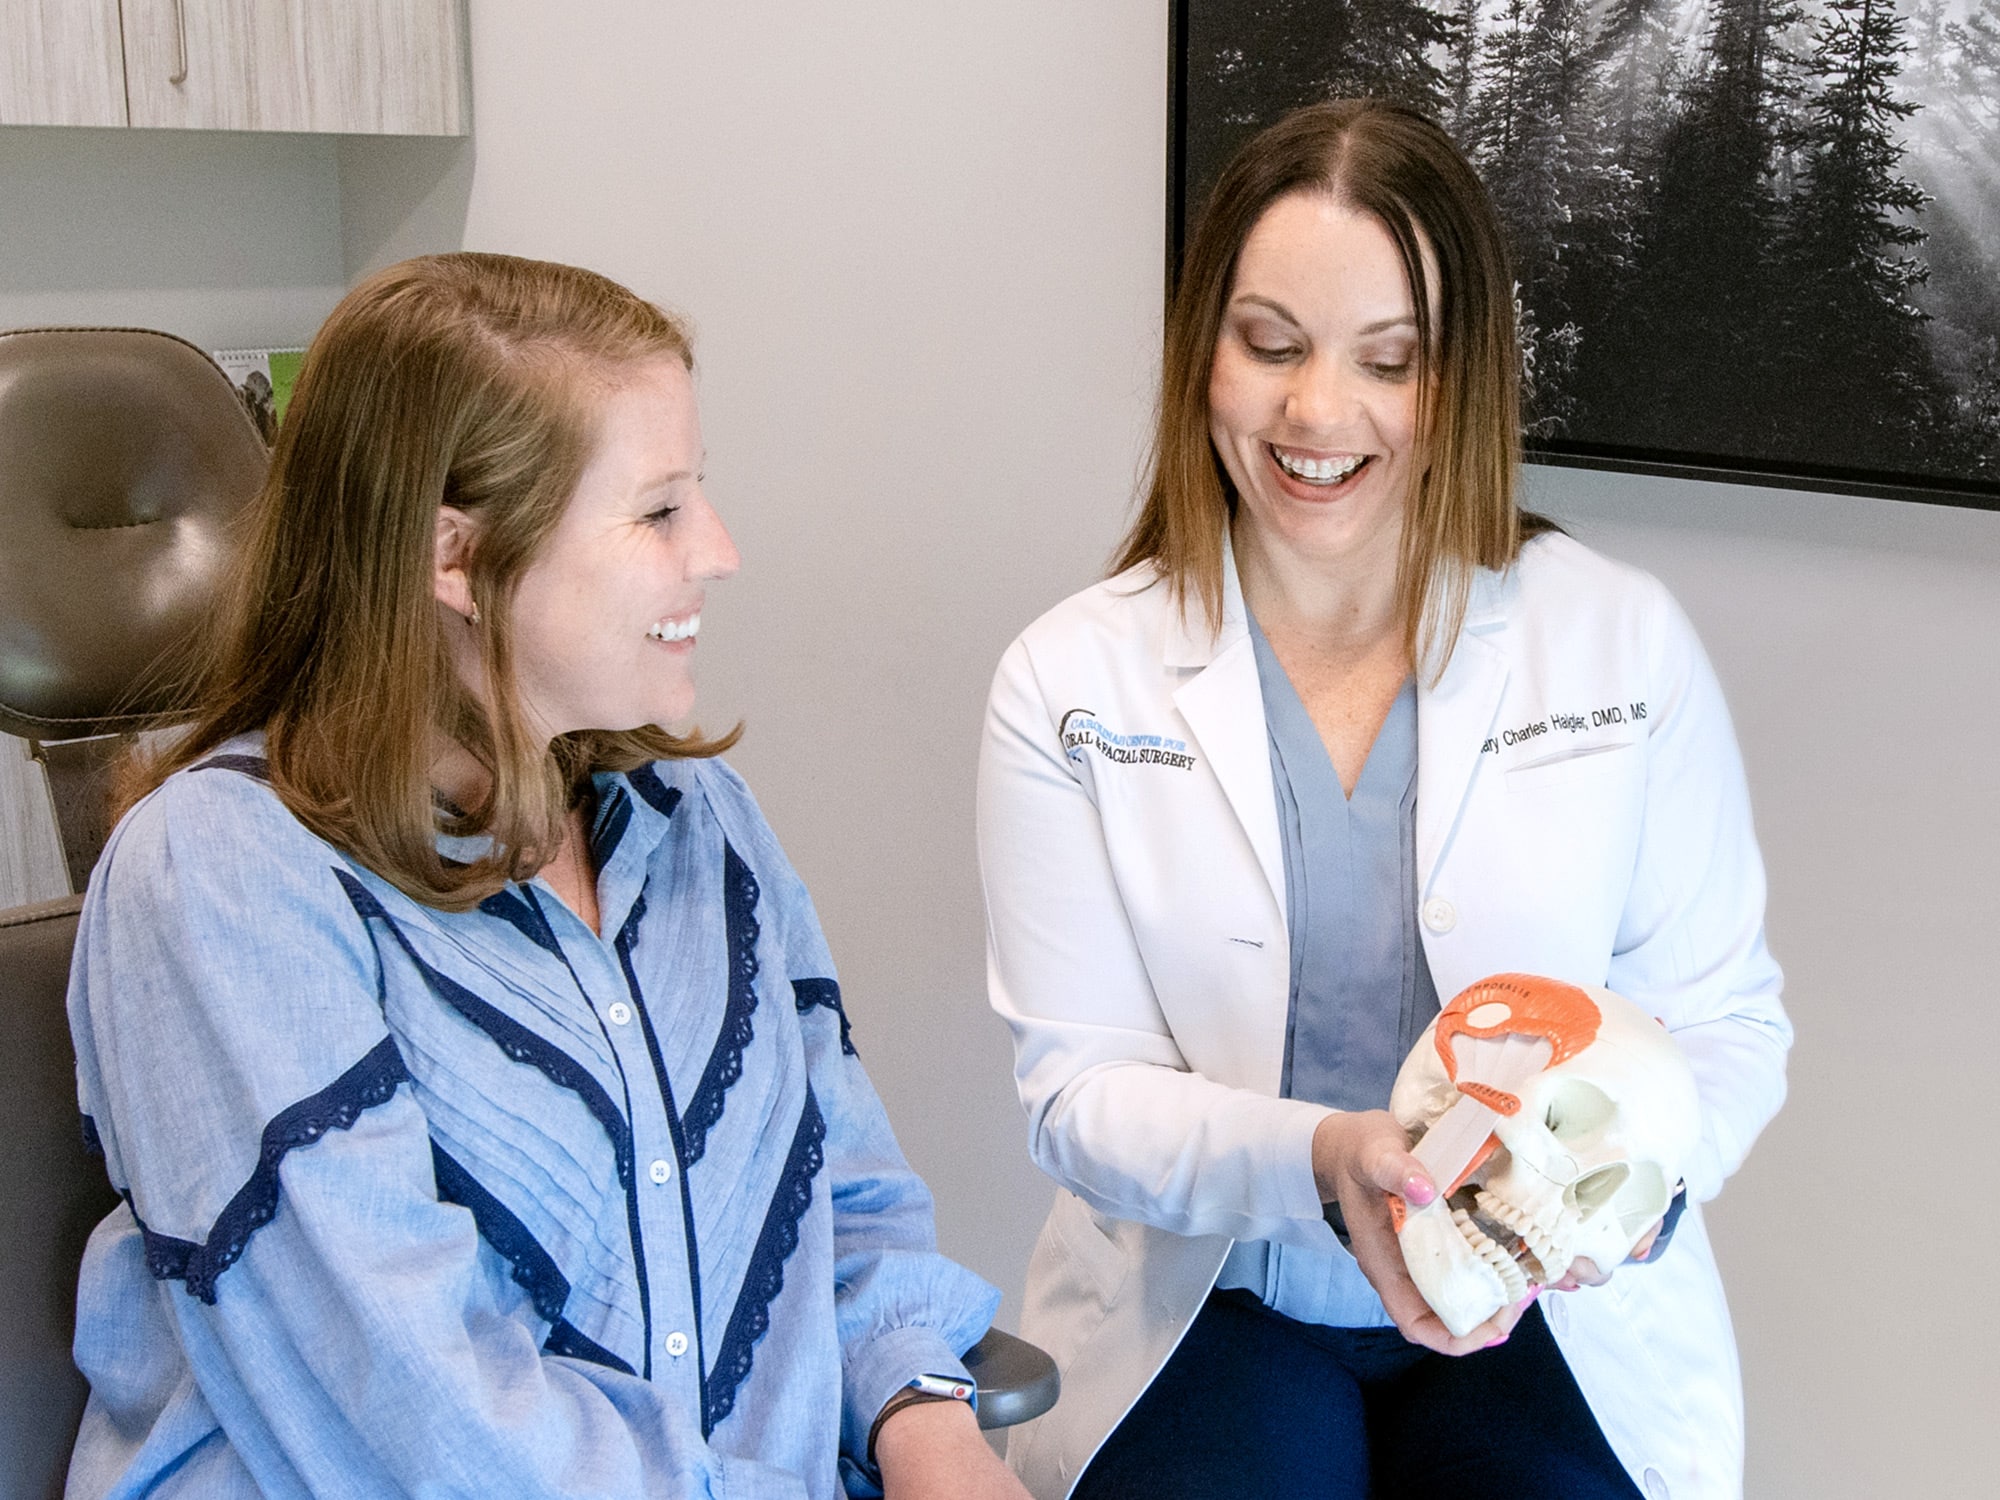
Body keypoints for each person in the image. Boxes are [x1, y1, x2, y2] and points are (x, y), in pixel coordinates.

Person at [66, 252, 1032, 1500]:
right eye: (659, 510)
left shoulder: (697, 826)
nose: (719, 551)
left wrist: (927, 1425)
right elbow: (415, 1412)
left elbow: (843, 1208)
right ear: (455, 560)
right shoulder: (218, 879)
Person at [976, 101, 1791, 1500]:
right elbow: (1080, 1094)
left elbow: (1723, 1024)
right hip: (1221, 1303)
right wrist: (1326, 1161)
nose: (1316, 414)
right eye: (1270, 344)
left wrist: (1613, 1203)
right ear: (1203, 356)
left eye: (1388, 360)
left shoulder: (1618, 645)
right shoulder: (1071, 679)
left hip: (1551, 1316)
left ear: (1456, 376)